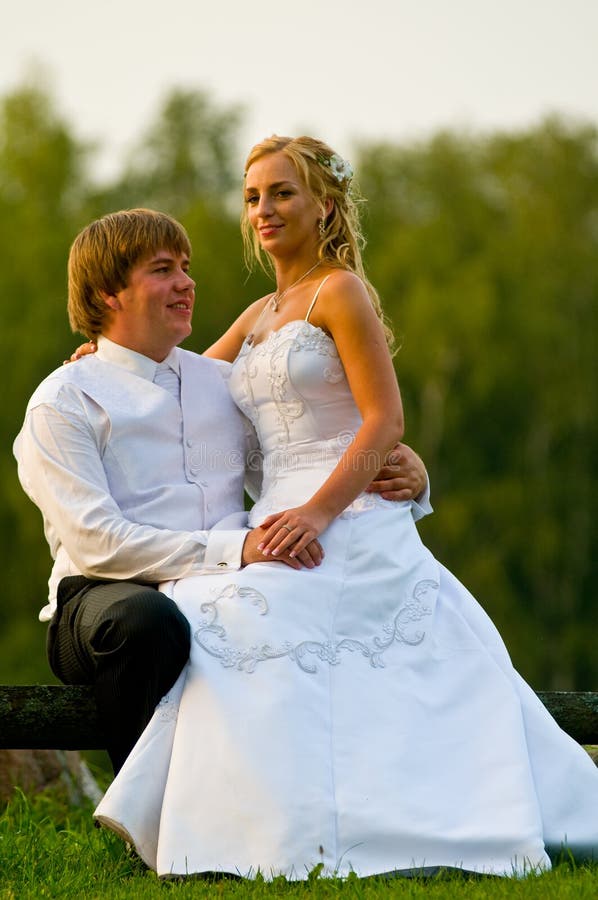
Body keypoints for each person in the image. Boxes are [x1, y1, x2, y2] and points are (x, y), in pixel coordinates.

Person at [93, 136, 598, 880]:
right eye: (253, 196)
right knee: (210, 613)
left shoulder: (340, 292)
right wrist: (102, 354)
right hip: (273, 524)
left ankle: (366, 826)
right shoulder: (261, 311)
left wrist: (319, 514)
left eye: (282, 193)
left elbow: (383, 422)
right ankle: (237, 830)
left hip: (349, 517)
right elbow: (178, 378)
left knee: (252, 616)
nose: (264, 209)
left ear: (325, 203)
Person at [13, 208, 429, 776]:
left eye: (186, 267)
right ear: (109, 293)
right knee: (147, 620)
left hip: (226, 581)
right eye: (163, 270)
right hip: (105, 598)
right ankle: (148, 820)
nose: (187, 282)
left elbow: (290, 464)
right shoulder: (65, 400)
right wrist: (236, 551)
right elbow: (95, 543)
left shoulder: (220, 385)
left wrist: (405, 470)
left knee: (316, 592)